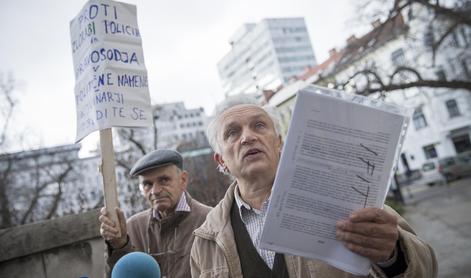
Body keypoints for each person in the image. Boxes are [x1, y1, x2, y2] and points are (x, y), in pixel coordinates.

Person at [190, 95, 437, 277]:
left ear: (280, 143)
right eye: (232, 132)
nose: (248, 137)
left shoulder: (344, 194)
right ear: (220, 160)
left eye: (259, 125)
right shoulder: (205, 239)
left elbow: (427, 269)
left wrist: (393, 256)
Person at [99, 149, 211, 278]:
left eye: (164, 180)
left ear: (183, 180)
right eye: (147, 184)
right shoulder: (132, 228)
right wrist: (119, 246)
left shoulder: (209, 221)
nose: (155, 191)